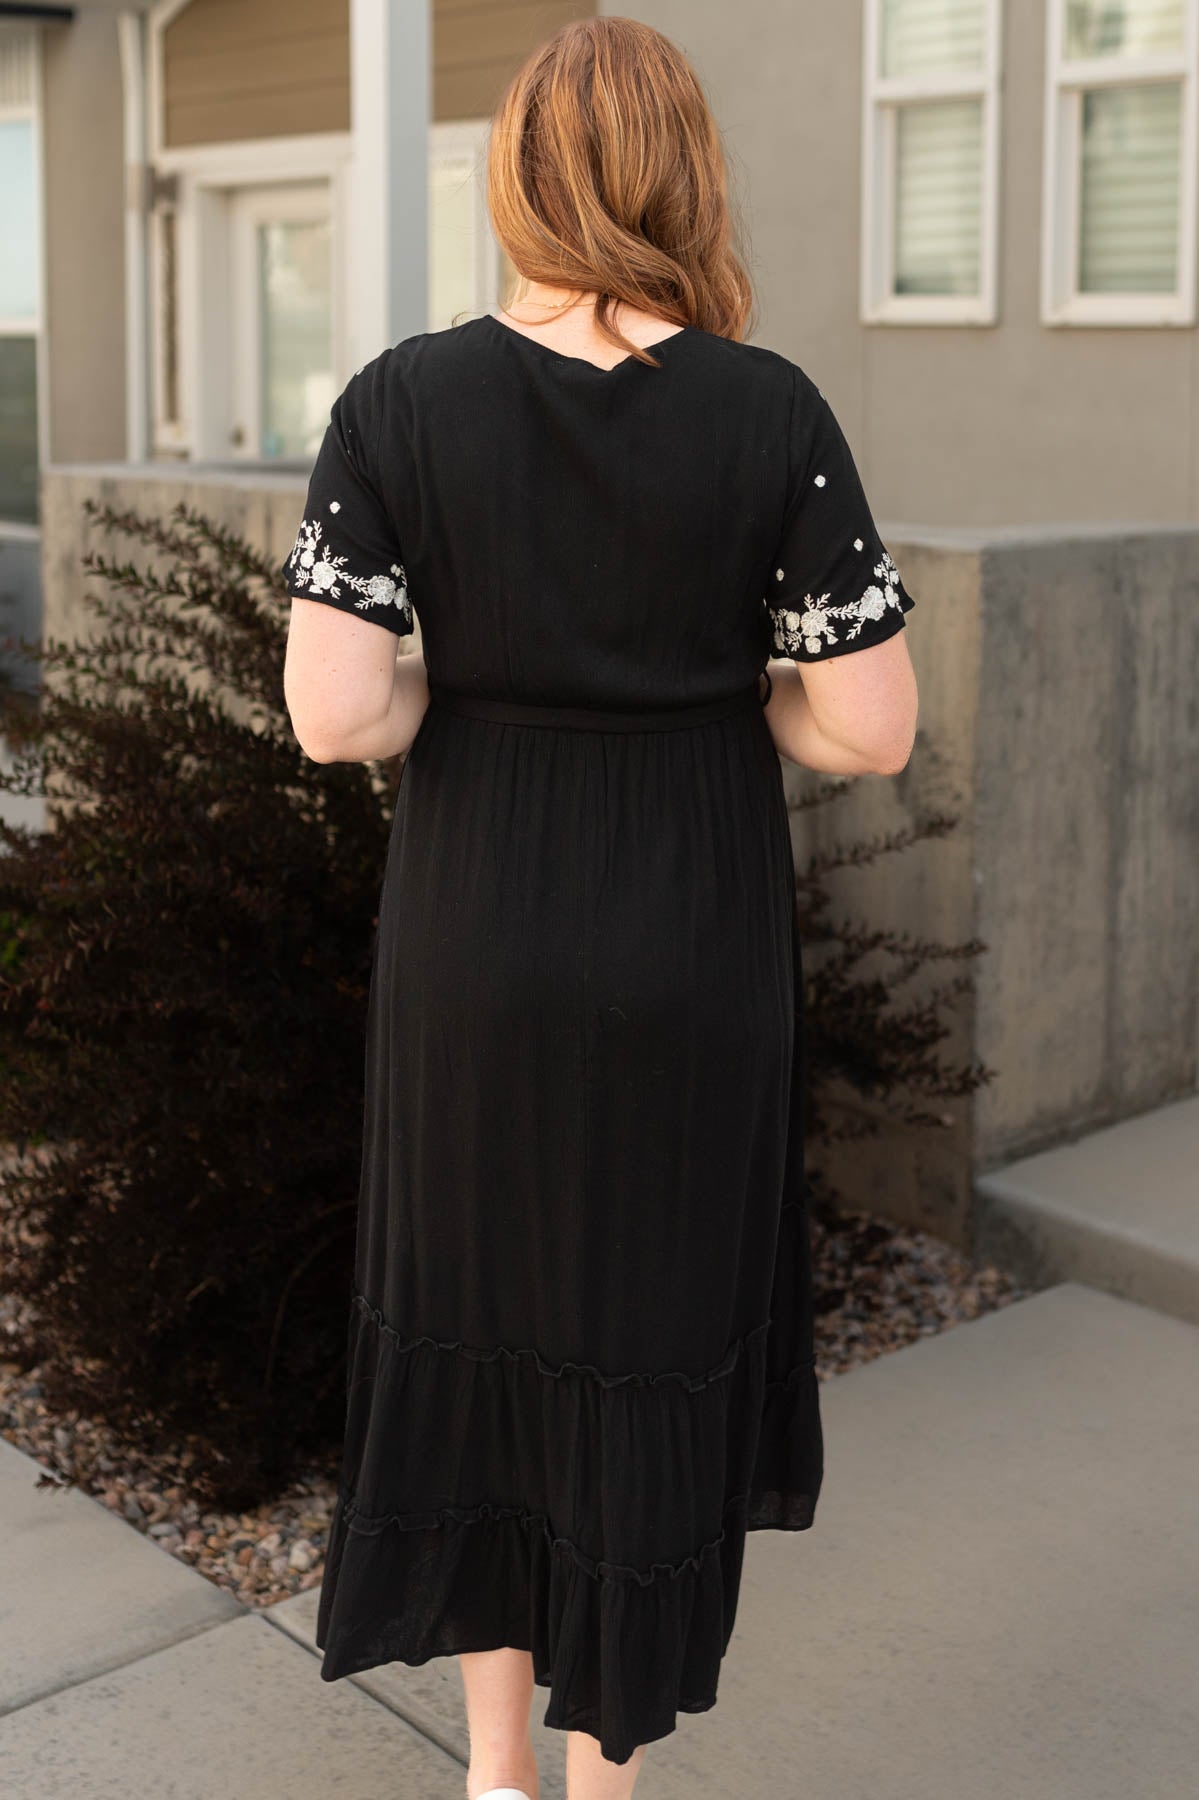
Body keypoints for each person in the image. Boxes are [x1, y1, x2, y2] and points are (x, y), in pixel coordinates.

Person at [280, 16, 918, 1800]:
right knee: (643, 1333)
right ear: (684, 173)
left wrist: (446, 704)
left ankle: (490, 1773)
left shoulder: (401, 401)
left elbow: (336, 712)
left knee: (483, 1327)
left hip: (481, 931)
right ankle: (599, 1778)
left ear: (518, 177)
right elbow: (868, 726)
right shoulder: (769, 410)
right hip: (691, 930)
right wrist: (745, 705)